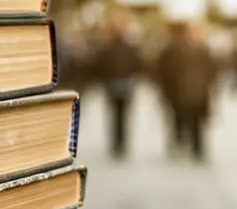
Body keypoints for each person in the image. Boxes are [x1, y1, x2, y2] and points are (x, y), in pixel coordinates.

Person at [155, 22, 218, 162]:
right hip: (179, 93)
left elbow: (213, 71)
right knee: (178, 119)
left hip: (199, 93)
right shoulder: (174, 51)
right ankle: (179, 142)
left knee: (197, 122)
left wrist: (208, 85)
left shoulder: (203, 52)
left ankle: (198, 148)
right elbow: (163, 70)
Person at [92, 13, 143, 161]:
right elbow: (139, 64)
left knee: (114, 116)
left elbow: (98, 66)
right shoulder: (129, 47)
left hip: (113, 85)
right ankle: (122, 144)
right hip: (125, 84)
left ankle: (116, 144)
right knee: (123, 116)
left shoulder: (107, 48)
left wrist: (105, 80)